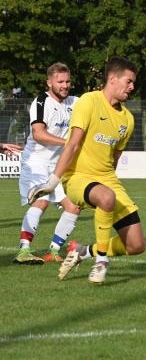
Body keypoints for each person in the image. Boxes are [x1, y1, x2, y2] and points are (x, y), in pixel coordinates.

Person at [28, 57, 146, 284]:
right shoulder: (88, 101)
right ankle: (101, 261)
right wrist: (53, 182)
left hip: (107, 180)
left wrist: (108, 180)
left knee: (136, 245)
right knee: (106, 196)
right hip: (77, 178)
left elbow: (115, 158)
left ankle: (84, 252)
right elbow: (72, 144)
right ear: (113, 79)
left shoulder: (128, 119)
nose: (132, 87)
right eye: (129, 81)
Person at [14, 63, 81, 265]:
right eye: (60, 81)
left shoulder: (75, 102)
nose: (65, 85)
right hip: (35, 161)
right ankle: (23, 251)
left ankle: (53, 251)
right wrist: (69, 143)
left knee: (74, 207)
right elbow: (39, 134)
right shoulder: (41, 101)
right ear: (49, 82)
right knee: (41, 201)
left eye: (67, 81)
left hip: (57, 165)